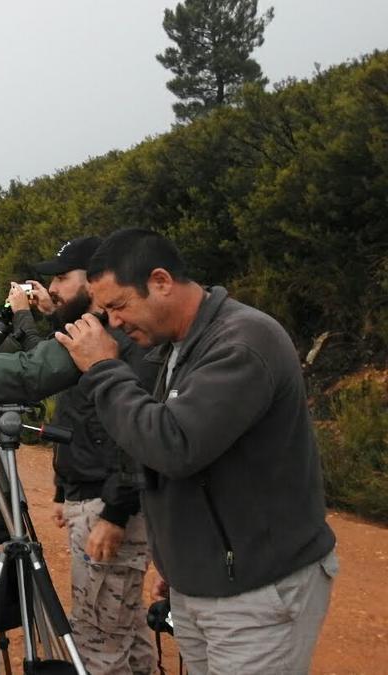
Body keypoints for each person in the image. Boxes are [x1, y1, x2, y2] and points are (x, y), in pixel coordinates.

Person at [55, 228, 338, 674]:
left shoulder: (241, 343)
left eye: (118, 305)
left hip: (257, 593)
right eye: (105, 310)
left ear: (162, 281)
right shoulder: (177, 346)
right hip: (204, 585)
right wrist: (180, 558)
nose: (113, 323)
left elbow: (172, 445)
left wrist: (104, 369)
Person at [10, 237, 156, 674]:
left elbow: (133, 435)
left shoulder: (117, 344)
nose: (53, 288)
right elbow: (75, 420)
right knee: (125, 628)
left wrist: (114, 512)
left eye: (62, 278)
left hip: (108, 505)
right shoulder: (87, 336)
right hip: (89, 496)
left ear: (92, 283)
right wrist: (62, 488)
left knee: (97, 639)